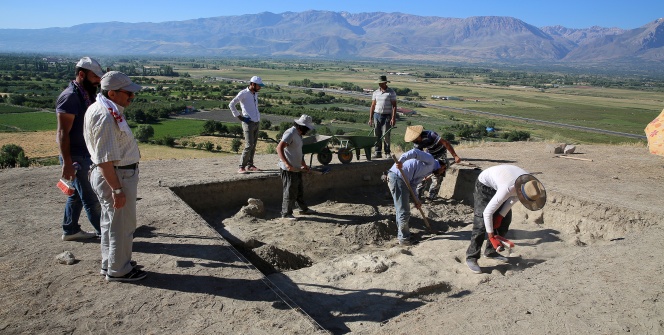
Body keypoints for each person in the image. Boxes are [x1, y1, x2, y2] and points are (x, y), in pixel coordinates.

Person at [84, 71, 146, 282]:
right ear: (112, 93)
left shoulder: (104, 108)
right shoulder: (106, 116)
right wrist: (117, 189)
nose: (132, 96)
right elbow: (104, 159)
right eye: (128, 93)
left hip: (114, 174)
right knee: (122, 225)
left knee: (110, 222)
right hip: (116, 176)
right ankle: (120, 269)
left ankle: (111, 263)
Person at [56, 57, 104, 241]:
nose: (97, 80)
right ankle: (108, 236)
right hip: (77, 156)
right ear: (81, 74)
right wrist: (67, 162)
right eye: (94, 77)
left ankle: (70, 230)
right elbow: (62, 133)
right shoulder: (70, 97)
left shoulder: (85, 94)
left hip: (84, 153)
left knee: (76, 194)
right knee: (92, 199)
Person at [465, 165, 546, 274]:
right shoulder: (508, 188)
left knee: (505, 220)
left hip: (502, 184)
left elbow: (513, 199)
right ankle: (471, 257)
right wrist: (491, 235)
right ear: (521, 191)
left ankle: (491, 252)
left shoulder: (530, 185)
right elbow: (487, 213)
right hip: (485, 186)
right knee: (481, 223)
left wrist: (500, 217)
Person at [387, 149, 447, 245]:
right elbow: (415, 152)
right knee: (404, 211)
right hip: (398, 177)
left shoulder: (428, 171)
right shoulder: (431, 160)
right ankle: (404, 239)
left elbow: (413, 185)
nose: (440, 173)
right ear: (442, 165)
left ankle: (402, 235)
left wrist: (417, 200)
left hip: (401, 179)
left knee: (402, 210)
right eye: (443, 170)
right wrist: (401, 161)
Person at [404, 125, 462, 201]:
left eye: (414, 139)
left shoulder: (431, 135)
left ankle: (432, 196)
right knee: (422, 175)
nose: (413, 141)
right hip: (430, 155)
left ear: (418, 135)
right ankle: (417, 195)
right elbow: (419, 156)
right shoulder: (417, 143)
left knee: (438, 175)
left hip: (440, 153)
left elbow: (446, 143)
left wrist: (455, 156)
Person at [277, 115, 316, 221]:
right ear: (301, 126)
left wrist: (303, 164)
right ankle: (286, 213)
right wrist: (287, 164)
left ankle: (303, 209)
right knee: (290, 190)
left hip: (297, 167)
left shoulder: (299, 135)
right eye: (306, 129)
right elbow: (279, 148)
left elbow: (298, 152)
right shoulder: (290, 133)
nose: (307, 131)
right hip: (288, 169)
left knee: (299, 190)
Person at [229, 76, 264, 174]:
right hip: (248, 123)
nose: (260, 87)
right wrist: (240, 117)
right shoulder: (243, 93)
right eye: (259, 85)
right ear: (253, 84)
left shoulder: (254, 94)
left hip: (256, 121)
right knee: (249, 145)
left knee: (253, 145)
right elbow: (231, 104)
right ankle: (241, 167)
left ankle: (250, 165)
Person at [368, 75, 397, 159]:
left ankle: (387, 152)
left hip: (387, 116)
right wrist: (370, 118)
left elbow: (394, 106)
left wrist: (393, 118)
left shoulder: (391, 92)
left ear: (385, 83)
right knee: (377, 134)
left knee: (386, 135)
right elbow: (372, 106)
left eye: (381, 83)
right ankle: (378, 152)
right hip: (377, 115)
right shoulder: (375, 92)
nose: (379, 84)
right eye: (379, 83)